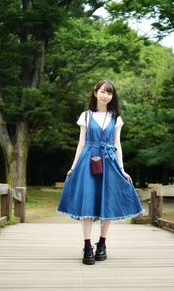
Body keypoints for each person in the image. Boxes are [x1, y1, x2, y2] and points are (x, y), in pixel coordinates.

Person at [57, 79, 144, 265]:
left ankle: (102, 244)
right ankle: (87, 247)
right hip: (88, 160)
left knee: (108, 201)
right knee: (87, 203)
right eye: (103, 91)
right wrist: (73, 167)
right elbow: (81, 143)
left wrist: (122, 169)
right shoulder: (86, 116)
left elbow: (117, 144)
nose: (106, 95)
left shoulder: (116, 117)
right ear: (95, 92)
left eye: (109, 93)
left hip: (109, 162)